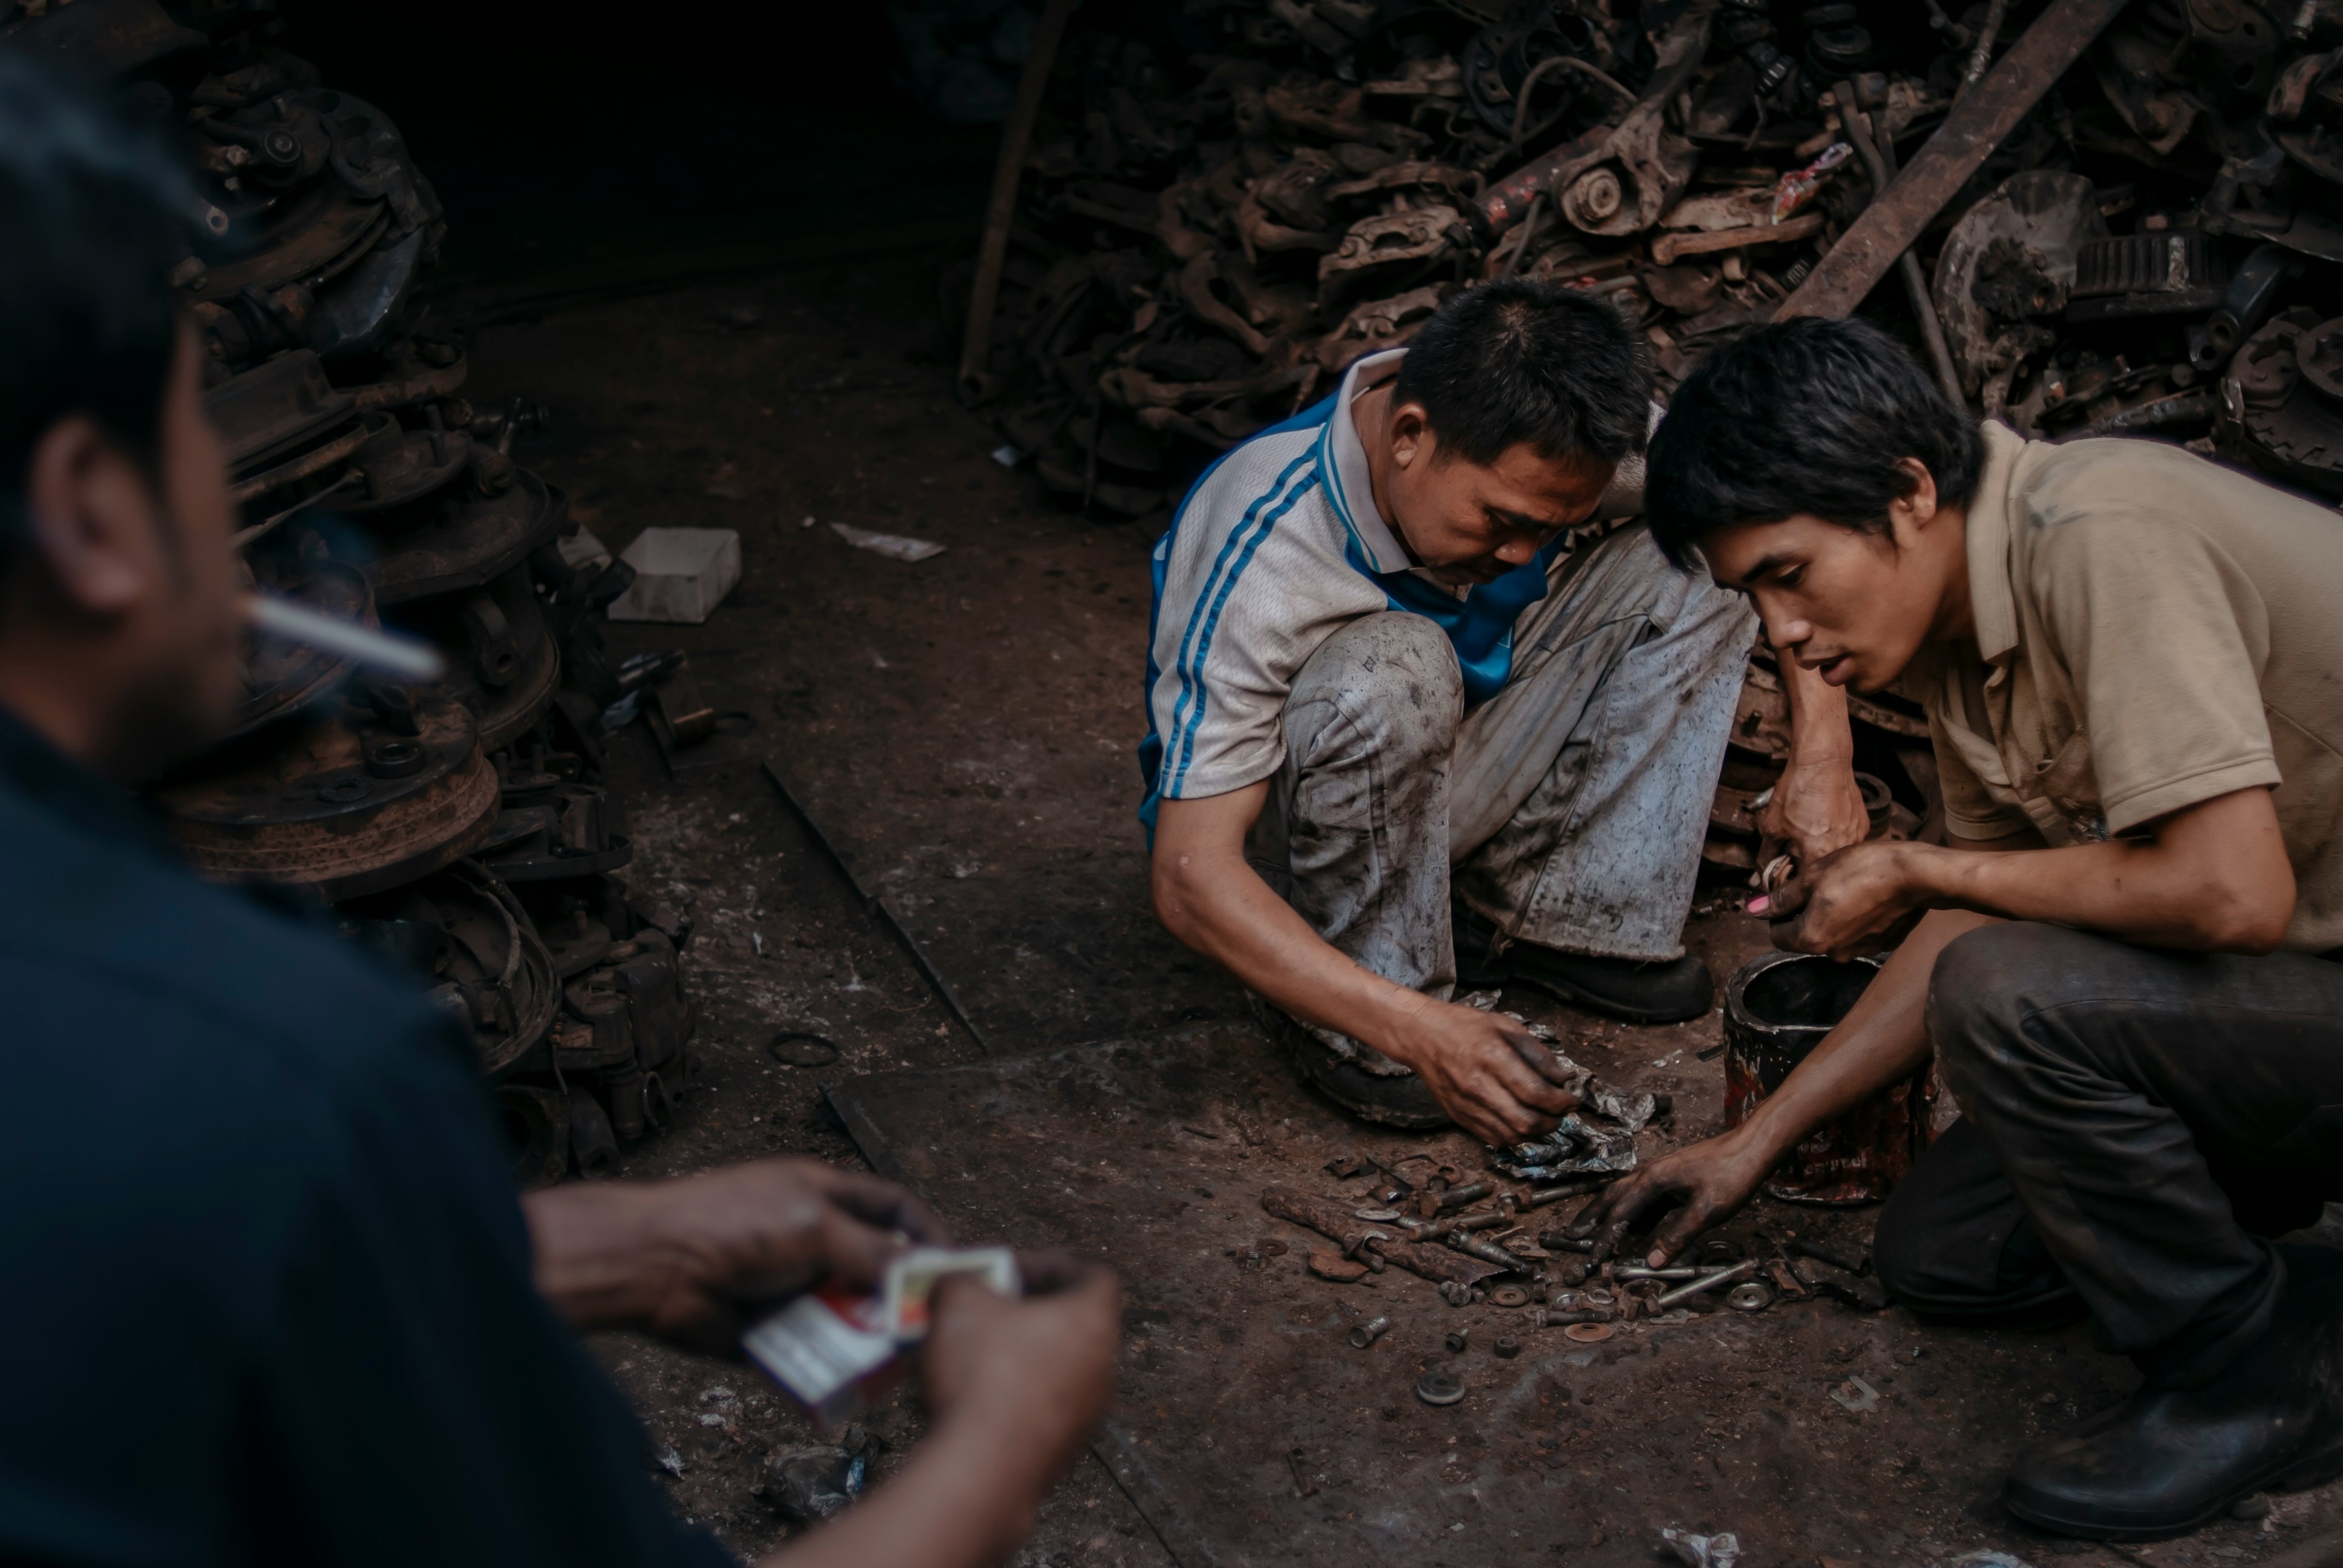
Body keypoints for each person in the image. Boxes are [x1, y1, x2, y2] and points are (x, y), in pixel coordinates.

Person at [0, 54, 1118, 1567]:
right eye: (207, 437)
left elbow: (96, 1293)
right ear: (89, 506)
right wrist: (1000, 1440)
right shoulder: (274, 1061)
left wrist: (588, 1246)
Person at [1584, 313, 2343, 1540]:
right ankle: (2300, 1288)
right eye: (1750, 595)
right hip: (2303, 995)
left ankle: (2253, 1381)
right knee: (1945, 1253)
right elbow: (1982, 891)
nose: (1779, 633)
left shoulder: (2098, 535)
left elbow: (2225, 894)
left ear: (1909, 492)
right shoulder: (1952, 637)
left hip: (2301, 968)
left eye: (1789, 573)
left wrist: (1911, 862)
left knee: (2009, 993)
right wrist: (1755, 1143)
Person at [1143, 278, 1868, 1145]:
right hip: (1289, 825)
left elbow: (1775, 512)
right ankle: (1363, 1002)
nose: (1524, 553)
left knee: (1697, 550)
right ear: (1409, 437)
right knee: (1395, 662)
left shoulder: (1580, 438)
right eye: (1502, 520)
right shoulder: (1262, 538)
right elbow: (1190, 877)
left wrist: (1824, 755)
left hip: (1455, 754)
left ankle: (1547, 914)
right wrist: (1417, 1031)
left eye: (1551, 526)